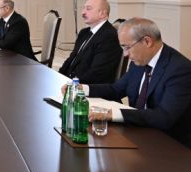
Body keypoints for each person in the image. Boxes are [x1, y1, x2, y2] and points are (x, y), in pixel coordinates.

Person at [68, 18, 191, 148]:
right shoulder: (140, 60)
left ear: (147, 41)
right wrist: (82, 89)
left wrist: (113, 114)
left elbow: (164, 117)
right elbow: (116, 89)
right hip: (138, 133)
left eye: (127, 47)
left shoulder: (180, 69)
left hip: (169, 145)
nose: (125, 54)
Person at [59, 0, 121, 84]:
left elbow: (97, 73)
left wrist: (72, 85)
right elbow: (71, 59)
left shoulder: (109, 36)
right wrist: (59, 77)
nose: (83, 13)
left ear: (102, 14)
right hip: (69, 83)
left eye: (88, 9)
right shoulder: (84, 32)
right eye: (84, 8)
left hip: (87, 87)